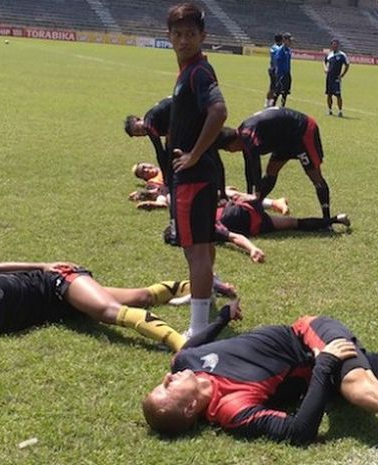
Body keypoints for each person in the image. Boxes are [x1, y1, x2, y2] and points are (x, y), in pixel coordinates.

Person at [142, 312, 378, 465]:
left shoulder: (183, 363)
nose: (168, 379)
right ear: (189, 410)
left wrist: (222, 316)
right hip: (320, 359)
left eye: (165, 381)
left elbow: (191, 346)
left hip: (309, 332)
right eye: (168, 389)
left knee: (359, 388)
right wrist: (326, 363)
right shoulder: (230, 408)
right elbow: (299, 432)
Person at [0, 261, 195, 354]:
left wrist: (43, 265)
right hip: (65, 307)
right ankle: (199, 285)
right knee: (142, 297)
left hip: (57, 281)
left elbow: (2, 267)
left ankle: (181, 346)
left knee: (106, 311)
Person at [166, 3, 228, 338]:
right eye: (178, 34)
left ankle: (198, 327)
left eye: (191, 34)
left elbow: (219, 111)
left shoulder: (198, 72)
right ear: (169, 36)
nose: (184, 40)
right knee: (201, 245)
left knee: (195, 250)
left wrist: (192, 155)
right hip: (201, 175)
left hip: (194, 175)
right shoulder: (190, 70)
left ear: (203, 35)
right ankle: (205, 290)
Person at [215, 107, 333, 220]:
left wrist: (256, 194)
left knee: (314, 176)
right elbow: (249, 169)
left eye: (228, 149)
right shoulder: (243, 135)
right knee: (271, 171)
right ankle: (256, 207)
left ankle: (327, 219)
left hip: (302, 130)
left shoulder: (247, 137)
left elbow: (256, 166)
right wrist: (249, 194)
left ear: (231, 143)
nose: (231, 152)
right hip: (284, 139)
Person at [215, 197, 351, 263]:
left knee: (294, 223)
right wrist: (252, 248)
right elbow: (234, 237)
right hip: (245, 211)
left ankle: (336, 219)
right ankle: (335, 219)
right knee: (294, 223)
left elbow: (234, 237)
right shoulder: (207, 220)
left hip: (250, 221)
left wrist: (252, 248)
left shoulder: (207, 227)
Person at [124, 97, 174, 186]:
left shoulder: (149, 123)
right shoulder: (150, 125)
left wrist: (166, 177)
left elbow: (159, 151)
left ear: (138, 119)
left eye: (137, 129)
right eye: (139, 134)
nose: (141, 133)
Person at [323, 39, 350, 117]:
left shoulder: (342, 55)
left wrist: (342, 75)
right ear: (331, 45)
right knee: (329, 94)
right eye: (333, 44)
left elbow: (347, 65)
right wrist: (325, 68)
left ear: (338, 45)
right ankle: (330, 110)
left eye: (336, 44)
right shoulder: (329, 54)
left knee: (338, 95)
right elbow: (324, 61)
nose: (335, 46)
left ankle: (340, 111)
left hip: (336, 78)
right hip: (329, 77)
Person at [273, 32, 293, 107]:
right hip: (281, 74)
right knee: (278, 91)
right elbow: (278, 63)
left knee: (285, 92)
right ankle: (272, 106)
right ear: (284, 40)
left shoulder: (288, 50)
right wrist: (279, 75)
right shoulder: (280, 50)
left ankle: (282, 106)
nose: (291, 42)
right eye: (289, 40)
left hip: (287, 73)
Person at [265, 33, 283, 107]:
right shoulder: (277, 48)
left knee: (274, 87)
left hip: (272, 69)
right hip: (274, 70)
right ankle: (269, 103)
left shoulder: (274, 47)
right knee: (274, 88)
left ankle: (269, 102)